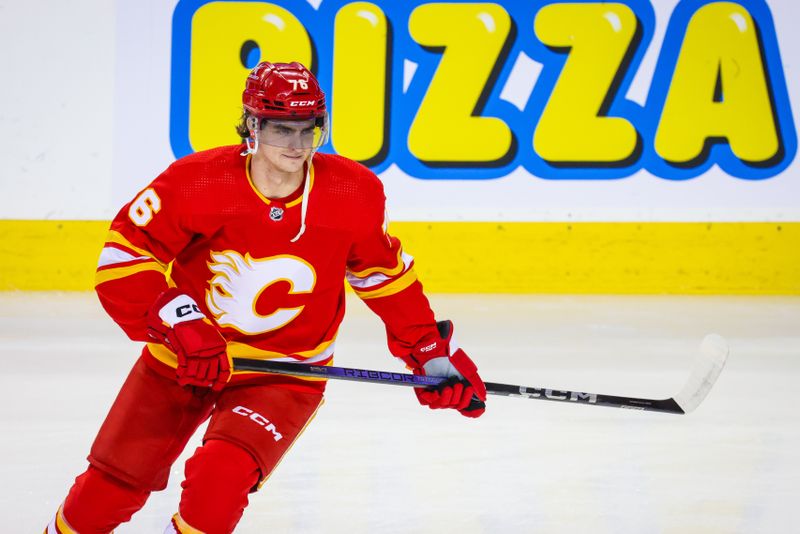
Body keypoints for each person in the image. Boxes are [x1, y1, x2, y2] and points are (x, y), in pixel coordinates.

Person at [45, 61, 486, 534]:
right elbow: (124, 258)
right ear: (252, 123)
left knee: (218, 484)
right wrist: (182, 323)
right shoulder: (197, 181)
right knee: (109, 488)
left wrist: (429, 352)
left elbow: (383, 278)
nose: (297, 146)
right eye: (281, 129)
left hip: (284, 372)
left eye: (307, 129)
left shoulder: (352, 193)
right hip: (182, 359)